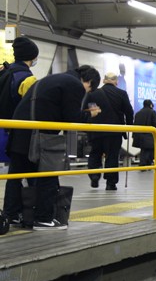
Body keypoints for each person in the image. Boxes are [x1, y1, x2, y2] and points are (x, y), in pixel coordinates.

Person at [6, 65, 101, 230]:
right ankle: (43, 219)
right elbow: (71, 118)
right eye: (89, 90)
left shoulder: (51, 78)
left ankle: (12, 216)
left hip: (20, 131)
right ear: (89, 82)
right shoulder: (75, 84)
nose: (86, 92)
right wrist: (89, 114)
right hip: (41, 136)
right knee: (47, 174)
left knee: (16, 175)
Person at [1, 37, 39, 225]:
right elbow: (32, 108)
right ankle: (33, 212)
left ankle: (10, 213)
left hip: (3, 130)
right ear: (33, 57)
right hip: (18, 133)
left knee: (14, 174)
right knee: (31, 172)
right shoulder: (27, 79)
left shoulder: (4, 72)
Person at [85, 72, 134, 191]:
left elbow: (89, 110)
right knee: (112, 156)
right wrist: (129, 126)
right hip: (114, 131)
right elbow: (129, 111)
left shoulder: (93, 93)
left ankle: (94, 176)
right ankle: (110, 183)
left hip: (96, 130)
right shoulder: (121, 93)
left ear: (103, 80)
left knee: (95, 153)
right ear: (116, 82)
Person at [132, 99, 156, 170]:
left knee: (144, 150)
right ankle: (145, 164)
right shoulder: (152, 112)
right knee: (149, 151)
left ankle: (145, 164)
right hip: (148, 136)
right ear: (150, 105)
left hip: (139, 136)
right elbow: (155, 124)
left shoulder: (138, 113)